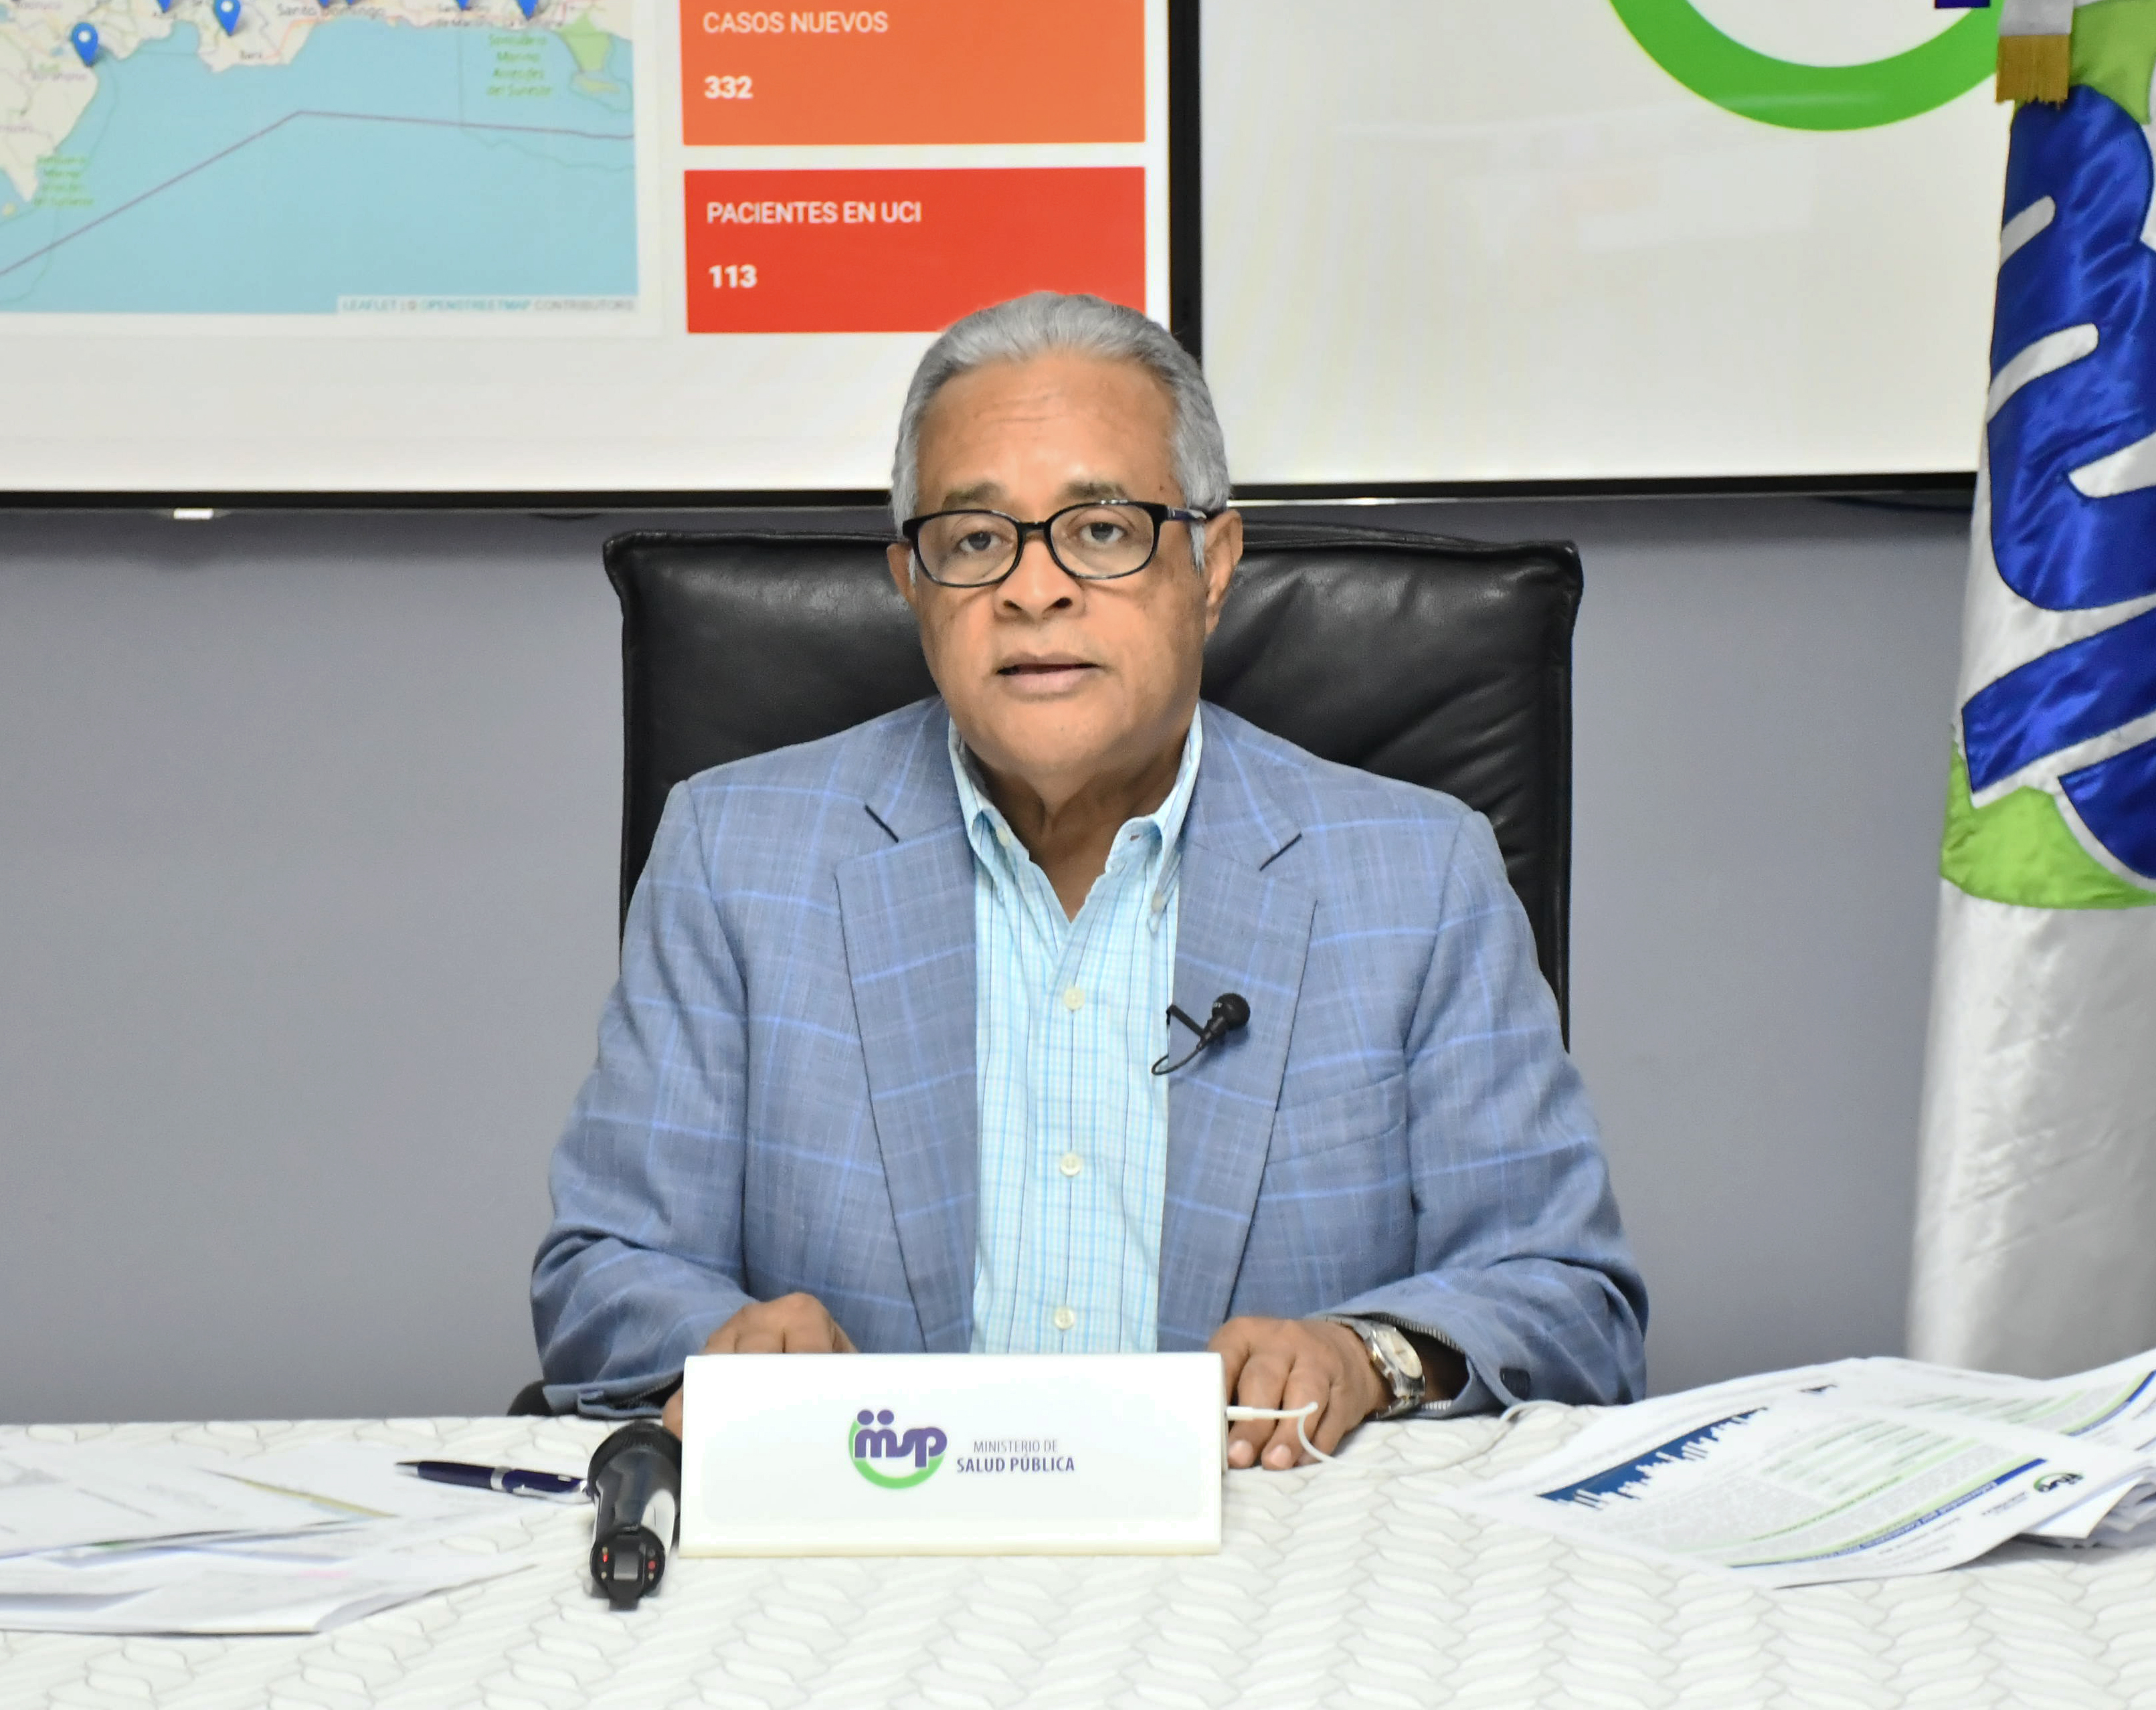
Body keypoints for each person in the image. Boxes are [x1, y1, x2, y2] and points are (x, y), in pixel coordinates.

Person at [533, 292, 1646, 1470]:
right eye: (975, 540)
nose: (1034, 589)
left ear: (1212, 565)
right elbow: (604, 1274)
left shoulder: (1417, 877)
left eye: (1103, 530)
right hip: (874, 1527)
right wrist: (727, 1347)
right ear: (911, 582)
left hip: (1267, 1538)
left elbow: (1566, 1299)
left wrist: (1366, 1355)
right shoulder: (734, 856)